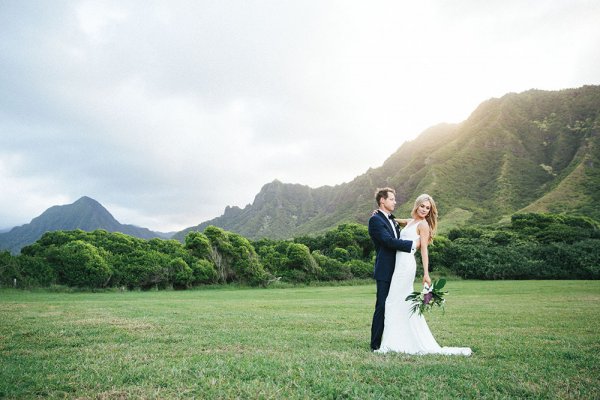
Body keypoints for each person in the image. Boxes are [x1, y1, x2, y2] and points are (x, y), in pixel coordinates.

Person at [375, 193, 471, 355]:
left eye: (428, 208)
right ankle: (396, 340)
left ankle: (395, 342)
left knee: (393, 300)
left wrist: (426, 273)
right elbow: (394, 220)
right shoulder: (412, 221)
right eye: (423, 206)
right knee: (396, 301)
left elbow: (424, 250)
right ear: (417, 205)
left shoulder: (424, 225)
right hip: (397, 264)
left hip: (406, 264)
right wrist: (378, 214)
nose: (425, 210)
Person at [368, 187, 417, 352]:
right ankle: (375, 344)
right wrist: (412, 245)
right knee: (382, 305)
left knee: (396, 304)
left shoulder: (391, 219)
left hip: (398, 269)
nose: (395, 202)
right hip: (385, 269)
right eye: (392, 199)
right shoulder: (375, 220)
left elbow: (407, 223)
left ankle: (394, 340)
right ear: (382, 200)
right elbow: (387, 241)